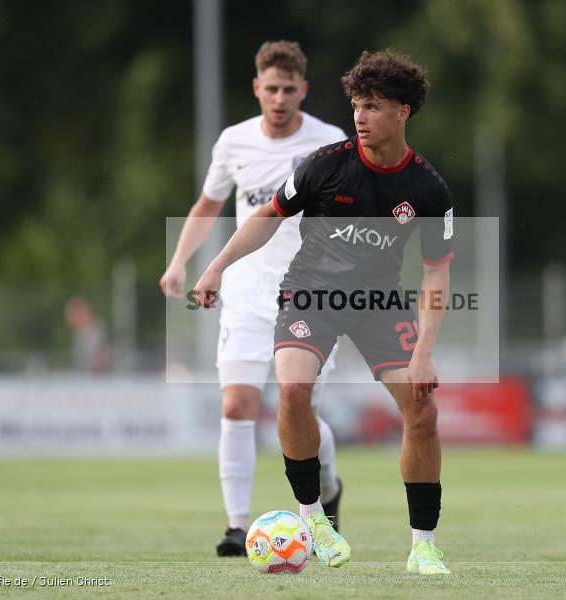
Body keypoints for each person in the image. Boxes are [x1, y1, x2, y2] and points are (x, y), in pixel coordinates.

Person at [193, 50, 454, 575]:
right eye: (357, 104)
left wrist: (424, 353)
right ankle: (314, 520)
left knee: (422, 412)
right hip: (310, 292)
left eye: (373, 106)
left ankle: (423, 545)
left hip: (378, 301)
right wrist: (217, 266)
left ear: (403, 112)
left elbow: (435, 274)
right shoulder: (325, 163)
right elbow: (267, 217)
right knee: (292, 390)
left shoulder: (427, 188)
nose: (360, 116)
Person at [160, 41, 347, 556]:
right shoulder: (234, 142)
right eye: (272, 88)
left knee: (298, 408)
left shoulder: (330, 142)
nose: (280, 98)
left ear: (303, 90)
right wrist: (179, 262)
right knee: (238, 403)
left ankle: (329, 490)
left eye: (290, 89)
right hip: (245, 292)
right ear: (257, 89)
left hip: (312, 295)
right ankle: (237, 529)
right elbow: (207, 203)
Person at [64, 297, 111, 373]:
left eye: (70, 313)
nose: (68, 318)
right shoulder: (80, 334)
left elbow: (100, 361)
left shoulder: (95, 331)